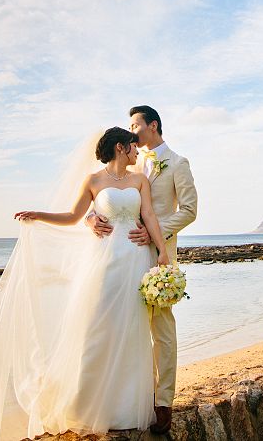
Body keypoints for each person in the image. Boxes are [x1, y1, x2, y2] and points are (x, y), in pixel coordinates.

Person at [0, 127, 169, 440]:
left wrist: (162, 250)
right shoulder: (94, 181)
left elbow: (148, 214)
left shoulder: (139, 180)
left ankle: (124, 407)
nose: (138, 152)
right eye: (134, 147)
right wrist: (38, 215)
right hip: (106, 261)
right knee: (98, 327)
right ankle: (86, 406)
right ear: (122, 148)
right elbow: (73, 216)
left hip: (136, 258)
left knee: (132, 327)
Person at [86, 106, 197, 434]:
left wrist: (156, 231)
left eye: (135, 125)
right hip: (123, 254)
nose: (131, 131)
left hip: (158, 254)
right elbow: (99, 199)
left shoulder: (178, 163)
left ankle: (163, 401)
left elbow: (190, 210)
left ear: (153, 125)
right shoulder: (129, 161)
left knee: (161, 328)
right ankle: (135, 395)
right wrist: (90, 217)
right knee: (127, 324)